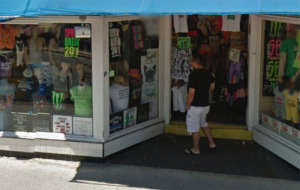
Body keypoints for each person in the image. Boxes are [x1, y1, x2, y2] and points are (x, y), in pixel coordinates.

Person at [185, 53, 216, 155]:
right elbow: (212, 87)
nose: (190, 62)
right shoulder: (208, 73)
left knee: (195, 128)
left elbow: (191, 93)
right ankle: (211, 143)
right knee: (203, 123)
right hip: (205, 105)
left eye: (191, 61)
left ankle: (196, 149)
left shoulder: (193, 75)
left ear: (194, 62)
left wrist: (188, 104)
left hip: (195, 106)